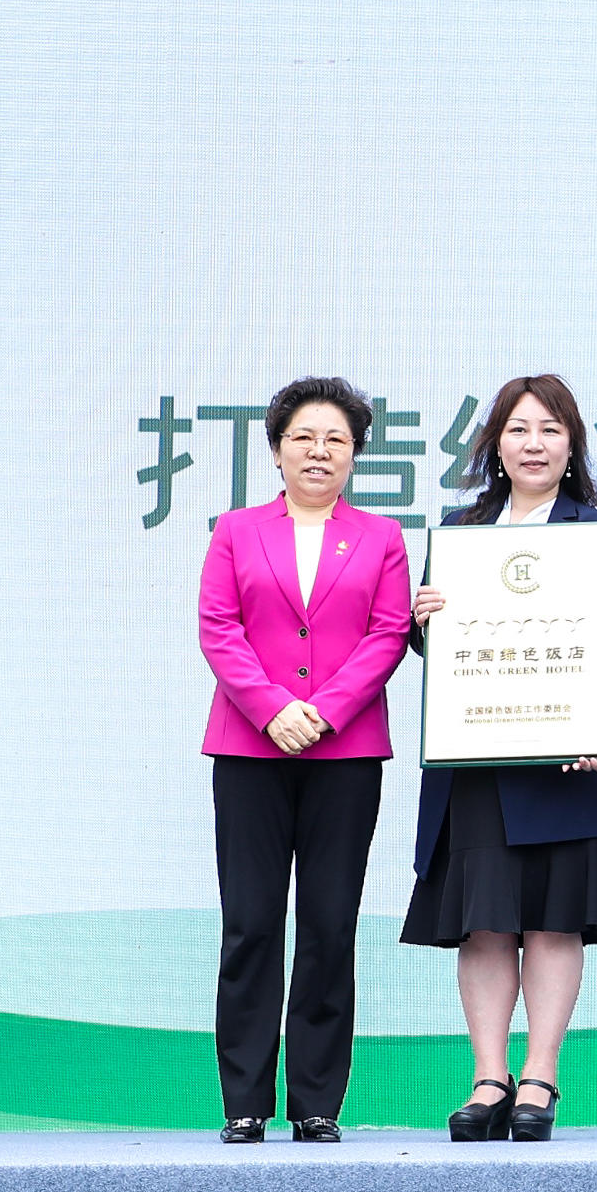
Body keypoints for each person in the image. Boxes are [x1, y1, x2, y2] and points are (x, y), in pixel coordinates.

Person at [407, 374, 597, 1143]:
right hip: (477, 758)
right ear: (494, 445)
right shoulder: (458, 530)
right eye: (517, 430)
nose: (533, 444)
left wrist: (590, 724)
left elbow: (594, 639)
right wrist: (422, 619)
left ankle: (539, 1075)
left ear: (572, 446)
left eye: (549, 430)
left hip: (563, 759)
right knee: (484, 923)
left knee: (552, 920)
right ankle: (488, 1077)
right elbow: (435, 648)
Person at [197, 376, 415, 1145]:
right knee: (250, 924)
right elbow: (218, 627)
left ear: (355, 454)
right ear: (276, 449)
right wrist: (272, 708)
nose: (318, 452)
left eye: (336, 440)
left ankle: (317, 1101)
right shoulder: (236, 530)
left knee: (329, 924)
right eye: (303, 438)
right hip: (248, 749)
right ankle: (244, 1101)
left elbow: (388, 633)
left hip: (345, 751)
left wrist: (323, 710)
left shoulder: (382, 537)